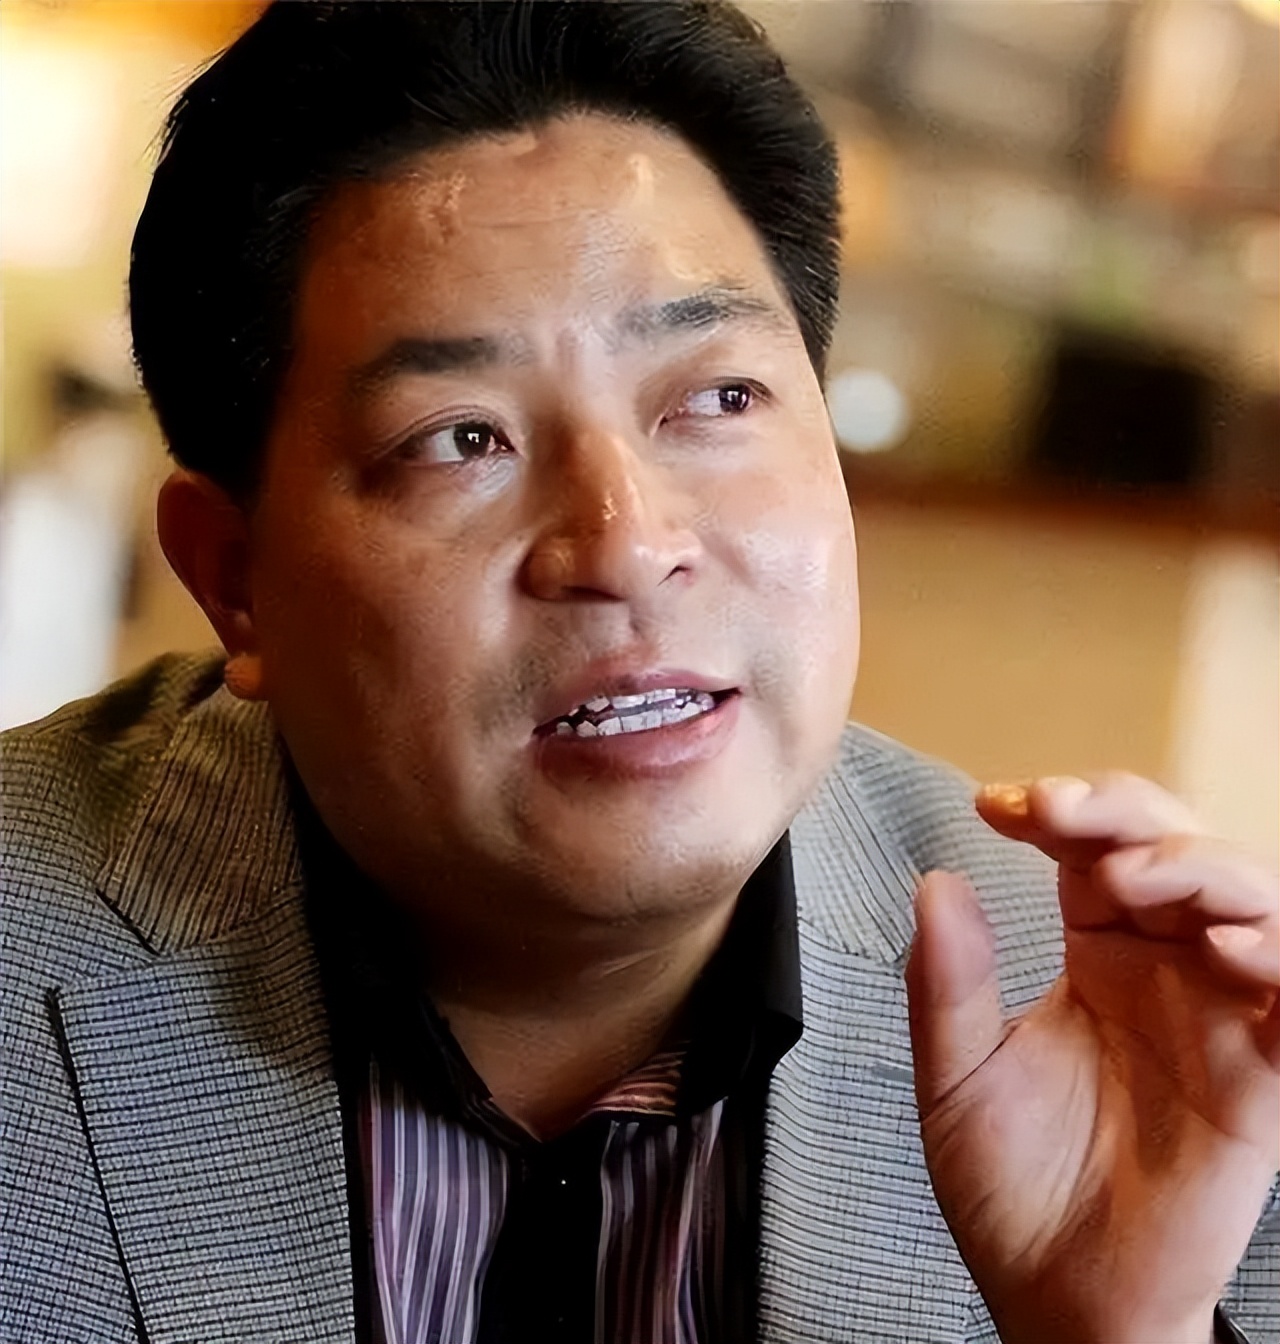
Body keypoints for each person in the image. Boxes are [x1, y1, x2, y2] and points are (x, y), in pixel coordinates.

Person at [1, 4, 1275, 1342]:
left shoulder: (1169, 1053)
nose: (625, 542)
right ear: (234, 580)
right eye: (461, 439)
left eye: (717, 399)